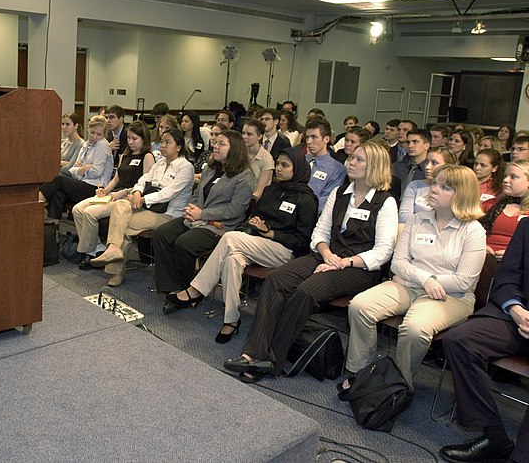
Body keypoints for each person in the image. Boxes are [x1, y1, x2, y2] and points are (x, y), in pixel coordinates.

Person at [224, 141, 398, 380]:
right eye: (352, 158)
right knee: (276, 279)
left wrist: (343, 262)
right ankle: (253, 353)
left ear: (375, 166)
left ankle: (272, 359)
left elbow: (383, 251)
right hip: (327, 254)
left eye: (359, 160)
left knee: (305, 292)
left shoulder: (385, 201)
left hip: (359, 267)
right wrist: (326, 254)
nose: (351, 163)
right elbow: (320, 232)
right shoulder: (339, 193)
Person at [341, 165, 486, 393]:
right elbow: (398, 263)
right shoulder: (418, 220)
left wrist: (417, 279)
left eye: (444, 187)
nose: (434, 189)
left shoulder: (473, 231)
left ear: (462, 195)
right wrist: (424, 279)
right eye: (435, 183)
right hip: (412, 285)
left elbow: (464, 281)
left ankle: (396, 385)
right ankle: (360, 372)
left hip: (451, 296)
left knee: (415, 329)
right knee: (360, 306)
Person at [165, 148, 318, 343]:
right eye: (278, 163)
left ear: (298, 169)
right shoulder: (271, 190)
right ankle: (231, 320)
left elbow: (303, 241)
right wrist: (257, 223)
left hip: (284, 251)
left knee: (230, 238)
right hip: (255, 243)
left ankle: (195, 290)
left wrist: (271, 233)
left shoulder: (306, 199)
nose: (278, 168)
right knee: (232, 259)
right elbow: (257, 216)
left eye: (285, 165)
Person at [438, 218, 529, 463]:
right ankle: (494, 436)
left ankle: (521, 457)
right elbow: (506, 279)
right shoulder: (526, 226)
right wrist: (517, 310)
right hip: (517, 317)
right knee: (460, 340)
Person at [152, 130, 255, 294]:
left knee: (184, 244)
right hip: (196, 219)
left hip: (220, 226)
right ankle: (169, 285)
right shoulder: (211, 168)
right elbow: (196, 194)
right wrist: (191, 208)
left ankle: (186, 290)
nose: (215, 146)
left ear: (235, 149)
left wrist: (202, 214)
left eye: (222, 144)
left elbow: (235, 209)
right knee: (161, 234)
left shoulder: (244, 176)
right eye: (216, 143)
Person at [89, 128, 195, 286]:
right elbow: (143, 180)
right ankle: (114, 250)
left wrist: (143, 199)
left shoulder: (186, 167)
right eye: (162, 142)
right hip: (150, 208)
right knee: (120, 204)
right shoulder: (160, 163)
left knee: (121, 224)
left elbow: (167, 193)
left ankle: (115, 261)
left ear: (178, 147)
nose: (163, 146)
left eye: (168, 142)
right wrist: (137, 192)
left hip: (170, 214)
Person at [72, 120, 154, 269]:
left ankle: (88, 253)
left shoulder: (147, 156)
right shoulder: (125, 155)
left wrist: (127, 191)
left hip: (127, 198)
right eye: (129, 138)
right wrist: (105, 191)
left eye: (134, 139)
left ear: (144, 139)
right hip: (114, 194)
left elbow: (145, 185)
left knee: (90, 213)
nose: (130, 142)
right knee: (77, 209)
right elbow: (116, 179)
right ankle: (97, 247)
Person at [40, 115, 113, 224]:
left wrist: (81, 169)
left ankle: (37, 201)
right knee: (58, 194)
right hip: (83, 182)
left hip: (96, 188)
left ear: (104, 134)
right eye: (92, 132)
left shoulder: (102, 145)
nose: (94, 137)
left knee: (59, 179)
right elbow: (73, 170)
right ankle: (53, 228)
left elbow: (96, 172)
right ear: (88, 129)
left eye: (99, 134)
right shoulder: (87, 144)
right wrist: (84, 168)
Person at [480, 159, 529, 261]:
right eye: (505, 176)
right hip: (482, 257)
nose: (506, 180)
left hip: (519, 264)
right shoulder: (489, 204)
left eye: (513, 177)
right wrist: (479, 247)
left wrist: (516, 254)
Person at [399, 146, 456, 224]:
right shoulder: (415, 185)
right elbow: (403, 216)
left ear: (447, 166)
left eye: (434, 163)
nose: (427, 167)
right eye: (426, 162)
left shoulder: (454, 189)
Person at [303, 118, 346, 214]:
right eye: (307, 137)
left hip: (313, 215)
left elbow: (327, 200)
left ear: (326, 139)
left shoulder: (337, 169)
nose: (309, 142)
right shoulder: (300, 160)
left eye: (314, 137)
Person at [392, 128, 431, 195]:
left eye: (415, 142)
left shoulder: (430, 170)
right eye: (408, 142)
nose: (410, 146)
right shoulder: (396, 167)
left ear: (426, 145)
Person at [242, 119, 274, 200]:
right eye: (243, 133)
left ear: (259, 136)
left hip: (255, 200)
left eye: (249, 134)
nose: (244, 137)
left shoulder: (266, 158)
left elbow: (259, 193)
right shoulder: (239, 153)